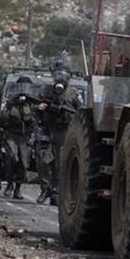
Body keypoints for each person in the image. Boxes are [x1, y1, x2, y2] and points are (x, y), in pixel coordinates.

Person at [36, 68, 81, 205]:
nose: (60, 79)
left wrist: (65, 111)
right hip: (47, 130)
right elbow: (35, 108)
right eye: (58, 76)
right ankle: (45, 189)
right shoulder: (46, 91)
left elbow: (80, 112)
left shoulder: (73, 93)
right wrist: (40, 108)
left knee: (60, 164)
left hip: (64, 131)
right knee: (43, 162)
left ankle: (55, 191)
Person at [0, 76, 38, 200]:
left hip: (25, 137)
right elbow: (2, 120)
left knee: (23, 163)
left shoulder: (32, 103)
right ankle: (9, 184)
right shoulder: (10, 102)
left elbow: (37, 120)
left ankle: (18, 188)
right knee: (11, 159)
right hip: (11, 135)